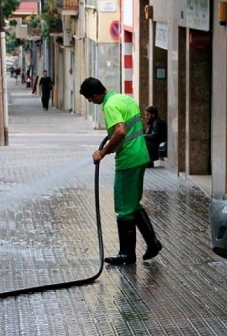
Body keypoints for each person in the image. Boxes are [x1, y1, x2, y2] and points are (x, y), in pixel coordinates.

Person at [79, 77, 163, 265]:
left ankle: (127, 254)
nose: (90, 102)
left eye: (89, 99)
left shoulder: (109, 105)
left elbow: (121, 131)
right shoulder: (125, 99)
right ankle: (152, 243)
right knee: (132, 203)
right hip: (141, 155)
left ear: (94, 94)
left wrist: (103, 151)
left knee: (123, 207)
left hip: (128, 160)